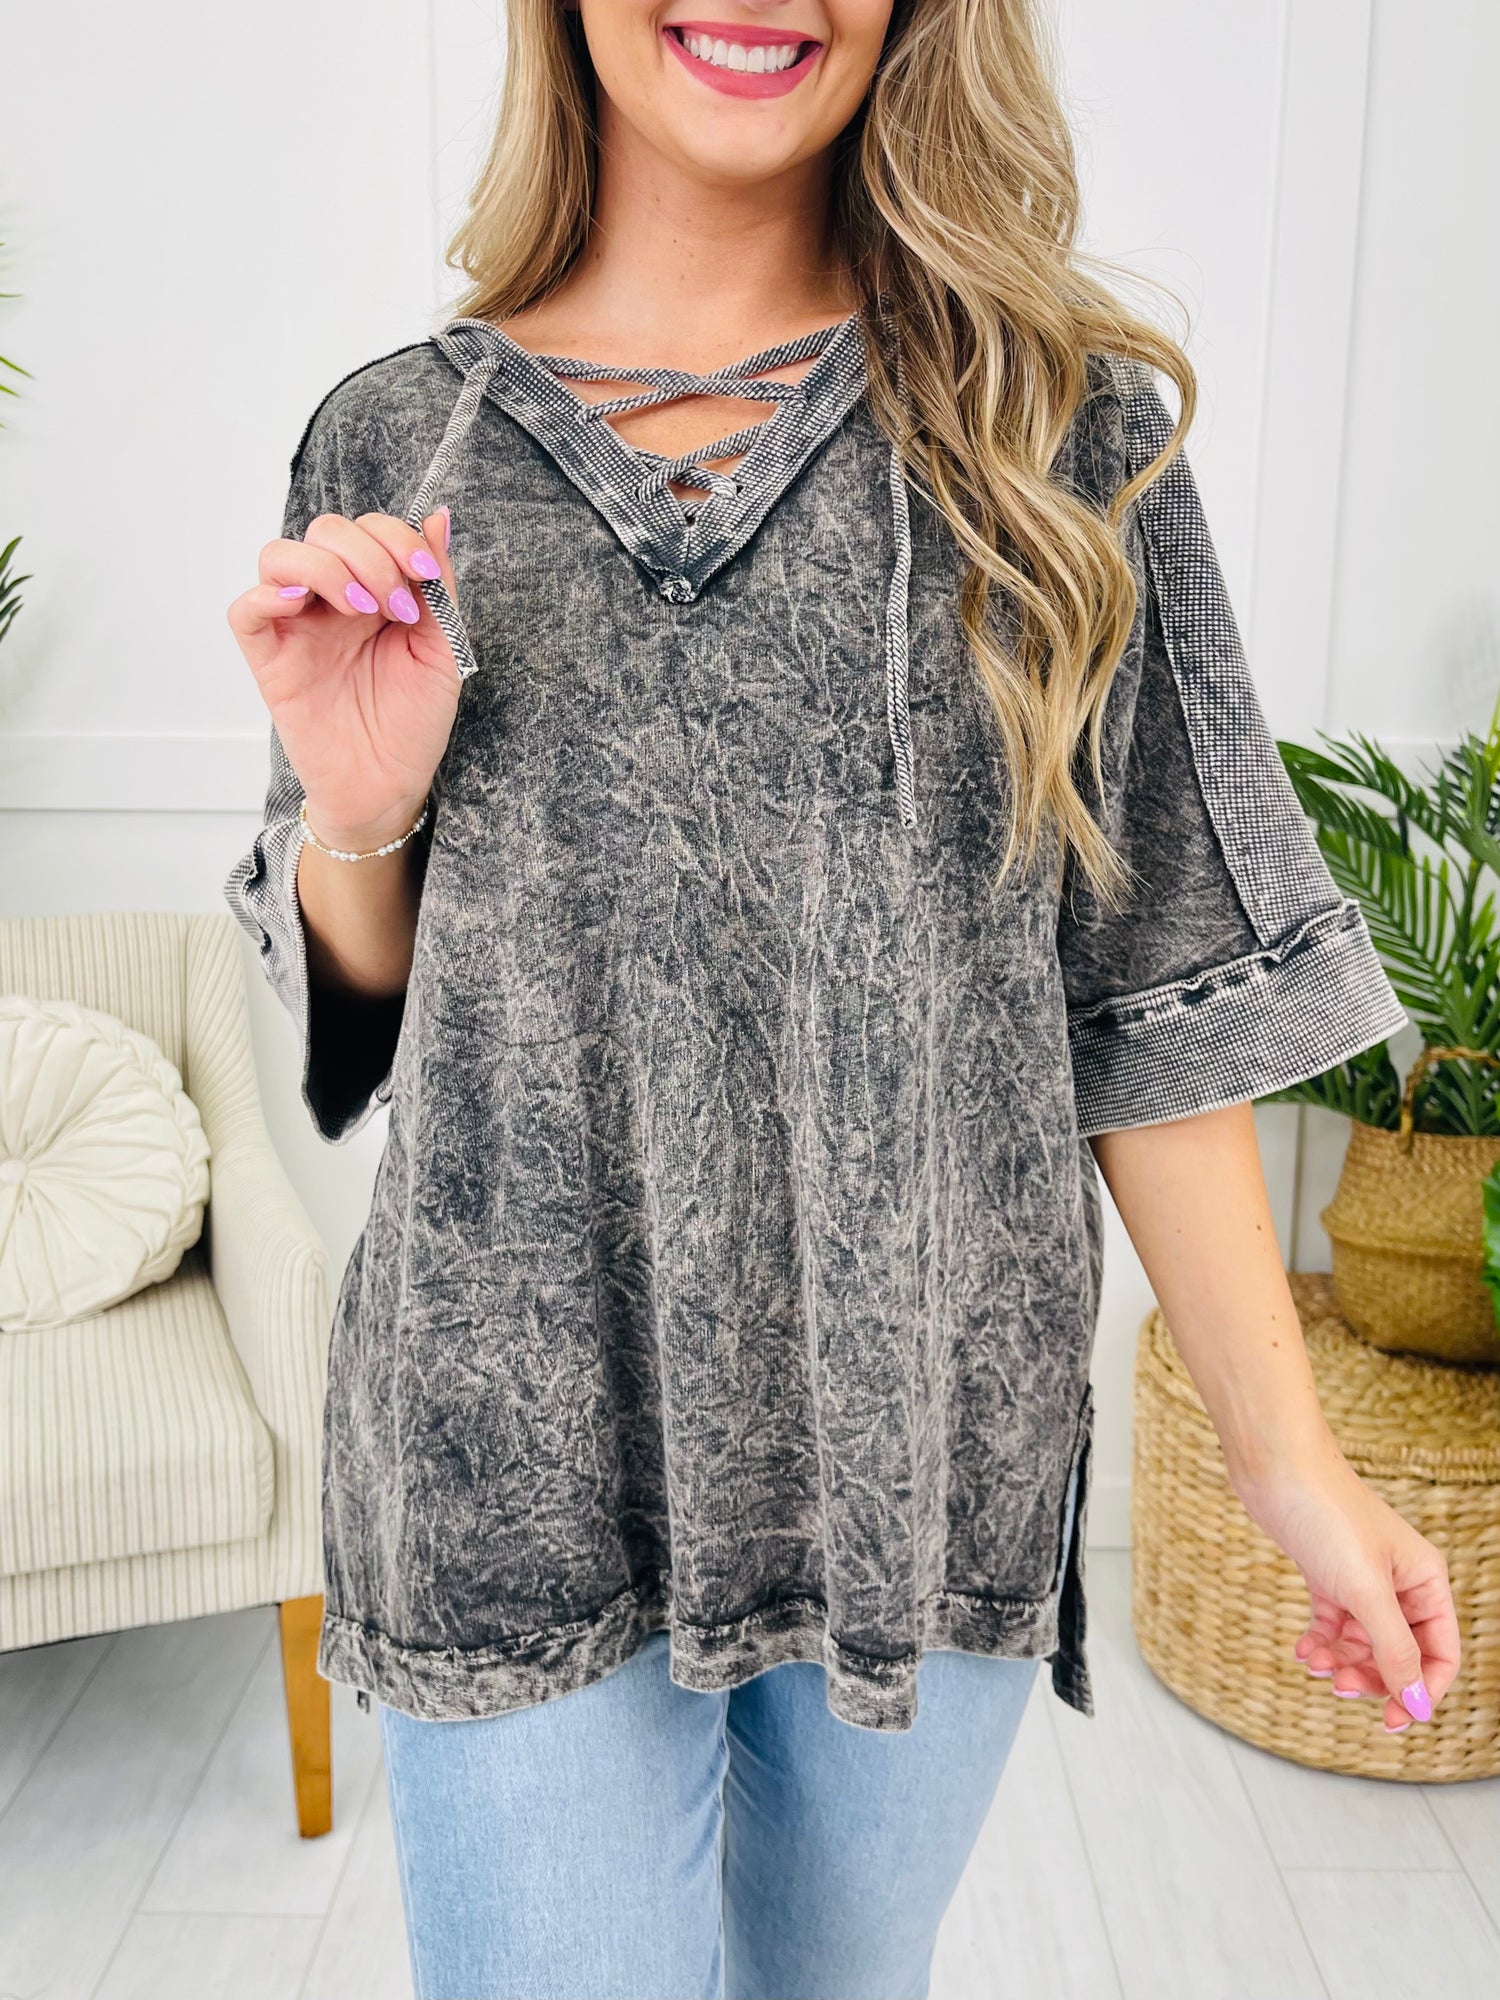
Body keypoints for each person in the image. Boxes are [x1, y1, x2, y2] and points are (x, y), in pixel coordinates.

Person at [223, 3, 1461, 1995]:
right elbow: (361, 1024)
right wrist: (362, 813)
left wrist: (1286, 1464)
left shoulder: (1063, 441)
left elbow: (1156, 997)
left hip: (924, 1449)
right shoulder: (397, 441)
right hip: (503, 1453)